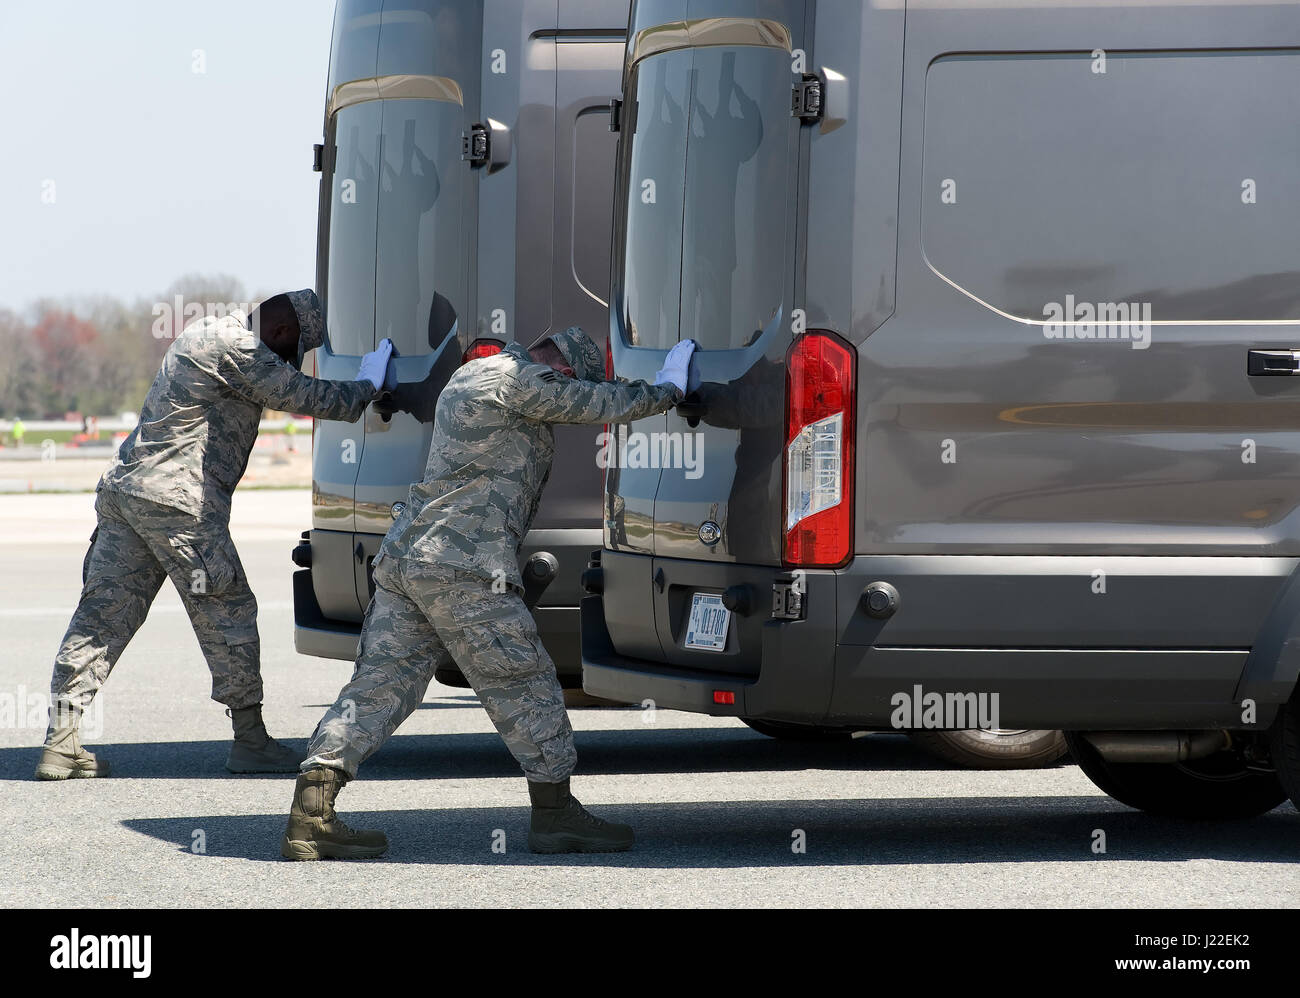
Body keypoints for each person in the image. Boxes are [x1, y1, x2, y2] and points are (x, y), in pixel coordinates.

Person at [280, 329, 697, 859]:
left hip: (409, 558)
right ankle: (555, 815)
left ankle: (311, 813)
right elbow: (599, 404)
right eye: (568, 378)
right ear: (563, 368)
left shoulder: (472, 375)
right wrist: (667, 389)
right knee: (525, 682)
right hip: (463, 564)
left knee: (380, 686)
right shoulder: (518, 378)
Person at [35, 290, 393, 781]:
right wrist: (369, 382)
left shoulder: (206, 332)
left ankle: (61, 741)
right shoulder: (239, 348)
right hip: (178, 503)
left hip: (128, 493)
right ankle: (250, 741)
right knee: (228, 609)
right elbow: (309, 397)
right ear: (284, 332)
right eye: (290, 353)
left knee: (104, 614)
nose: (286, 362)